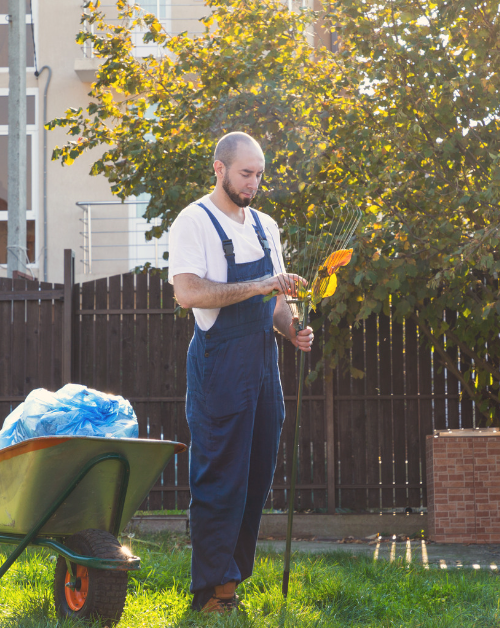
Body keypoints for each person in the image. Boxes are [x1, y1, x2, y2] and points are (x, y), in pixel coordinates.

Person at [168, 132, 314, 613]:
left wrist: (291, 327)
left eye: (259, 175)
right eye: (245, 174)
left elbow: (275, 299)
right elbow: (188, 293)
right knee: (220, 475)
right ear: (220, 168)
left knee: (256, 473)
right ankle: (212, 589)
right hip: (219, 366)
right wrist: (261, 286)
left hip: (262, 365)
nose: (253, 184)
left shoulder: (265, 225)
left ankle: (233, 577)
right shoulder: (194, 221)